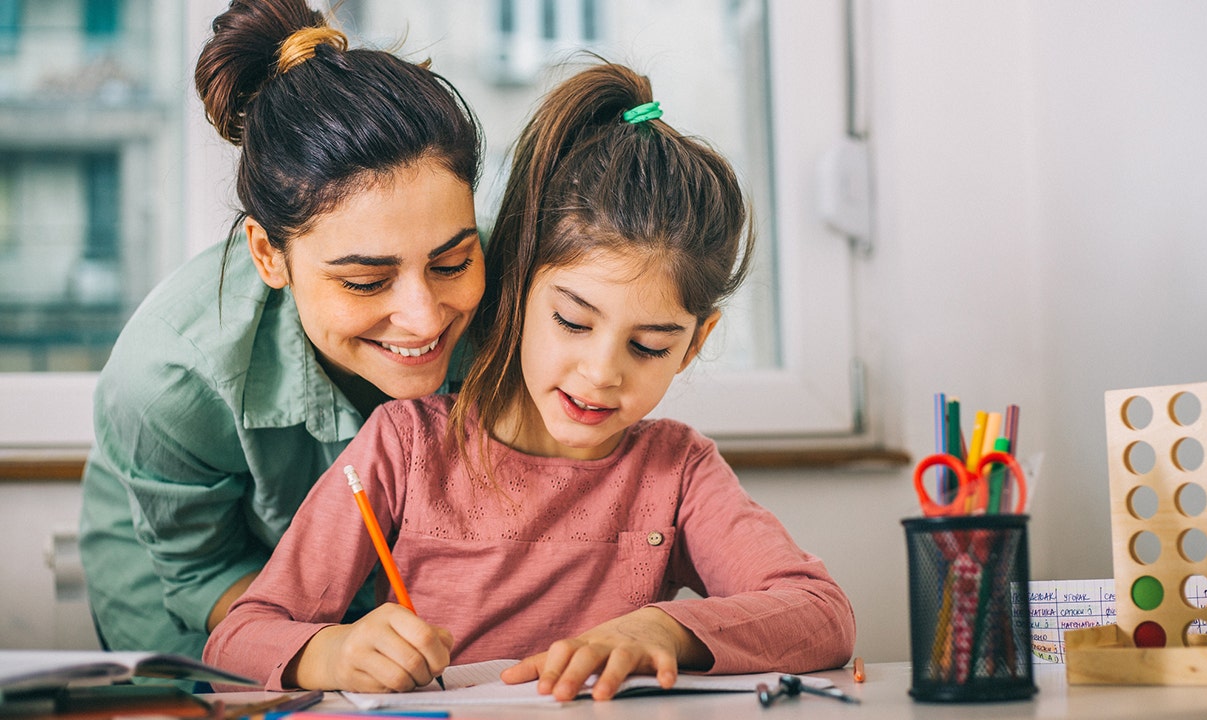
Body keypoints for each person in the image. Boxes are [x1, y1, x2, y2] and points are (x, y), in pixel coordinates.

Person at [204, 60, 855, 701]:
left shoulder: (677, 472)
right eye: (573, 322)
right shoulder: (406, 447)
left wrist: (664, 629)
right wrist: (333, 652)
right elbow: (238, 637)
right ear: (516, 289)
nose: (602, 373)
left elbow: (822, 615)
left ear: (694, 345)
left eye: (650, 345)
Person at [78, 0, 485, 662]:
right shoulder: (170, 375)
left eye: (452, 262)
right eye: (365, 281)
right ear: (269, 255)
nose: (425, 316)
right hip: (200, 592)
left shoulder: (527, 301)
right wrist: (321, 649)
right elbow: (200, 570)